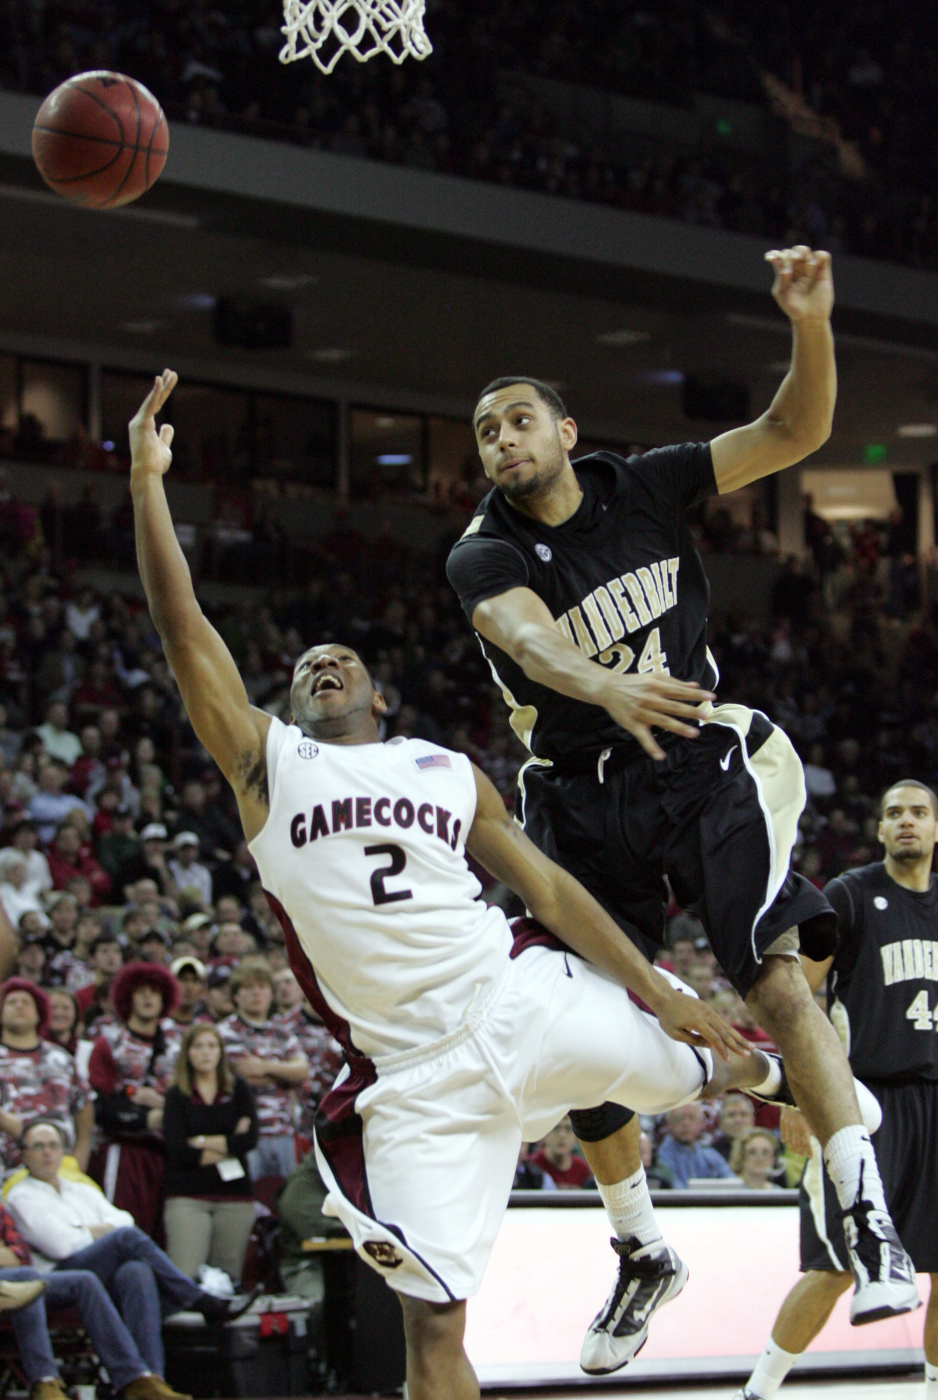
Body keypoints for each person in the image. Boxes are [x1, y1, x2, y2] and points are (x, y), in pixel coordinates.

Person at [126, 369, 798, 1400]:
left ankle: (778, 1086)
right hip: (414, 1082)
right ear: (288, 705)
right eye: (306, 663)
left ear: (380, 693)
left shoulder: (444, 768)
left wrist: (654, 984)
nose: (322, 663)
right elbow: (183, 633)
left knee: (695, 1064)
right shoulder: (268, 768)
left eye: (341, 656)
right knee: (433, 1330)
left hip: (518, 995)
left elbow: (558, 894)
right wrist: (145, 482)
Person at [444, 245, 917, 1364]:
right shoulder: (480, 550)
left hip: (695, 766)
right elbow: (520, 635)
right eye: (483, 432)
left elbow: (791, 435)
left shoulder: (642, 484)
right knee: (587, 1024)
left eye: (518, 419)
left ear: (565, 432)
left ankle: (864, 1212)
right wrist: (605, 682)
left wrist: (809, 323)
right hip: (576, 794)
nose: (502, 439)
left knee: (764, 968)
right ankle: (640, 1245)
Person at [737, 779, 938, 1400]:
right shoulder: (851, 895)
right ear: (878, 829)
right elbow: (795, 1002)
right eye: (894, 813)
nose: (907, 822)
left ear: (936, 828)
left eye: (920, 812)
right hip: (861, 1101)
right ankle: (760, 1389)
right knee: (831, 1266)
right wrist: (805, 1093)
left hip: (934, 1095)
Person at [6, 1119, 258, 1386]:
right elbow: (61, 1245)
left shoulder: (79, 1189)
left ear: (63, 1151)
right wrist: (101, 1233)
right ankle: (193, 1297)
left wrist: (84, 1230)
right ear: (23, 1154)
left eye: (53, 1145)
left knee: (135, 1271)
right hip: (58, 1277)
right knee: (125, 1240)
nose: (47, 1152)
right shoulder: (21, 1196)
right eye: (38, 1146)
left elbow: (125, 1220)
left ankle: (150, 1379)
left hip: (97, 1271)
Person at [0, 1197, 190, 1400]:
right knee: (27, 1278)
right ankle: (45, 1383)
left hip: (22, 1277)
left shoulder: (77, 1188)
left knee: (88, 1280)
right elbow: (55, 1247)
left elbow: (20, 1257)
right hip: (23, 1278)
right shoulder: (21, 1193)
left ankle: (135, 1379)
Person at [87, 963, 181, 1238]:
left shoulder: (176, 1048)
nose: (148, 998)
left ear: (165, 998)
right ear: (127, 996)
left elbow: (189, 1099)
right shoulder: (109, 1043)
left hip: (165, 1152)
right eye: (141, 992)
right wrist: (142, 1115)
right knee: (122, 1227)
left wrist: (162, 1106)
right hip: (121, 1150)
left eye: (154, 992)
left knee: (159, 1232)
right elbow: (98, 1102)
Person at [162, 1023, 258, 1283]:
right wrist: (228, 1144)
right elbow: (178, 1150)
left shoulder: (238, 1089)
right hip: (188, 1196)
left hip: (235, 1196)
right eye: (198, 1046)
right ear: (187, 1053)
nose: (206, 1053)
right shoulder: (175, 1096)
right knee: (186, 1276)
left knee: (228, 1280)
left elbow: (249, 1140)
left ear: (221, 1052)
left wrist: (202, 1141)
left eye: (212, 1046)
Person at [218, 959, 307, 1180]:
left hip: (284, 1132)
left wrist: (264, 1066)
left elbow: (302, 1072)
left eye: (262, 987)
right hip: (246, 1133)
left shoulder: (281, 1031)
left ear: (271, 994)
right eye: (248, 988)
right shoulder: (225, 1032)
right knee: (252, 1202)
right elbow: (245, 1077)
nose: (256, 993)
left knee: (286, 1202)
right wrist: (283, 1074)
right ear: (236, 995)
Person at [0, 979, 92, 1171]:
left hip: (61, 1168)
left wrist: (80, 1155)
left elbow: (83, 1104)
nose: (19, 1006)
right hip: (7, 1169)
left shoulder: (59, 1056)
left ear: (39, 1012)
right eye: (11, 1002)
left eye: (26, 1002)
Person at [656, 1103, 736, 1188]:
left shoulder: (709, 1154)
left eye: (692, 1118)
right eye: (679, 1118)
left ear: (701, 1123)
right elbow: (676, 1191)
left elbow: (732, 1182)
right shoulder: (662, 1156)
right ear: (669, 1124)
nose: (686, 1123)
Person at [530, 1115, 594, 1188]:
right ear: (545, 1134)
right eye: (555, 1128)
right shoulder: (532, 1166)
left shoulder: (582, 1170)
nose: (562, 1135)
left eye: (568, 1129)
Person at [711, 1090, 757, 1161]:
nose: (738, 1120)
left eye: (743, 1114)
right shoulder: (713, 1152)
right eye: (731, 1115)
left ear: (752, 1119)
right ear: (720, 1122)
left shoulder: (765, 1146)